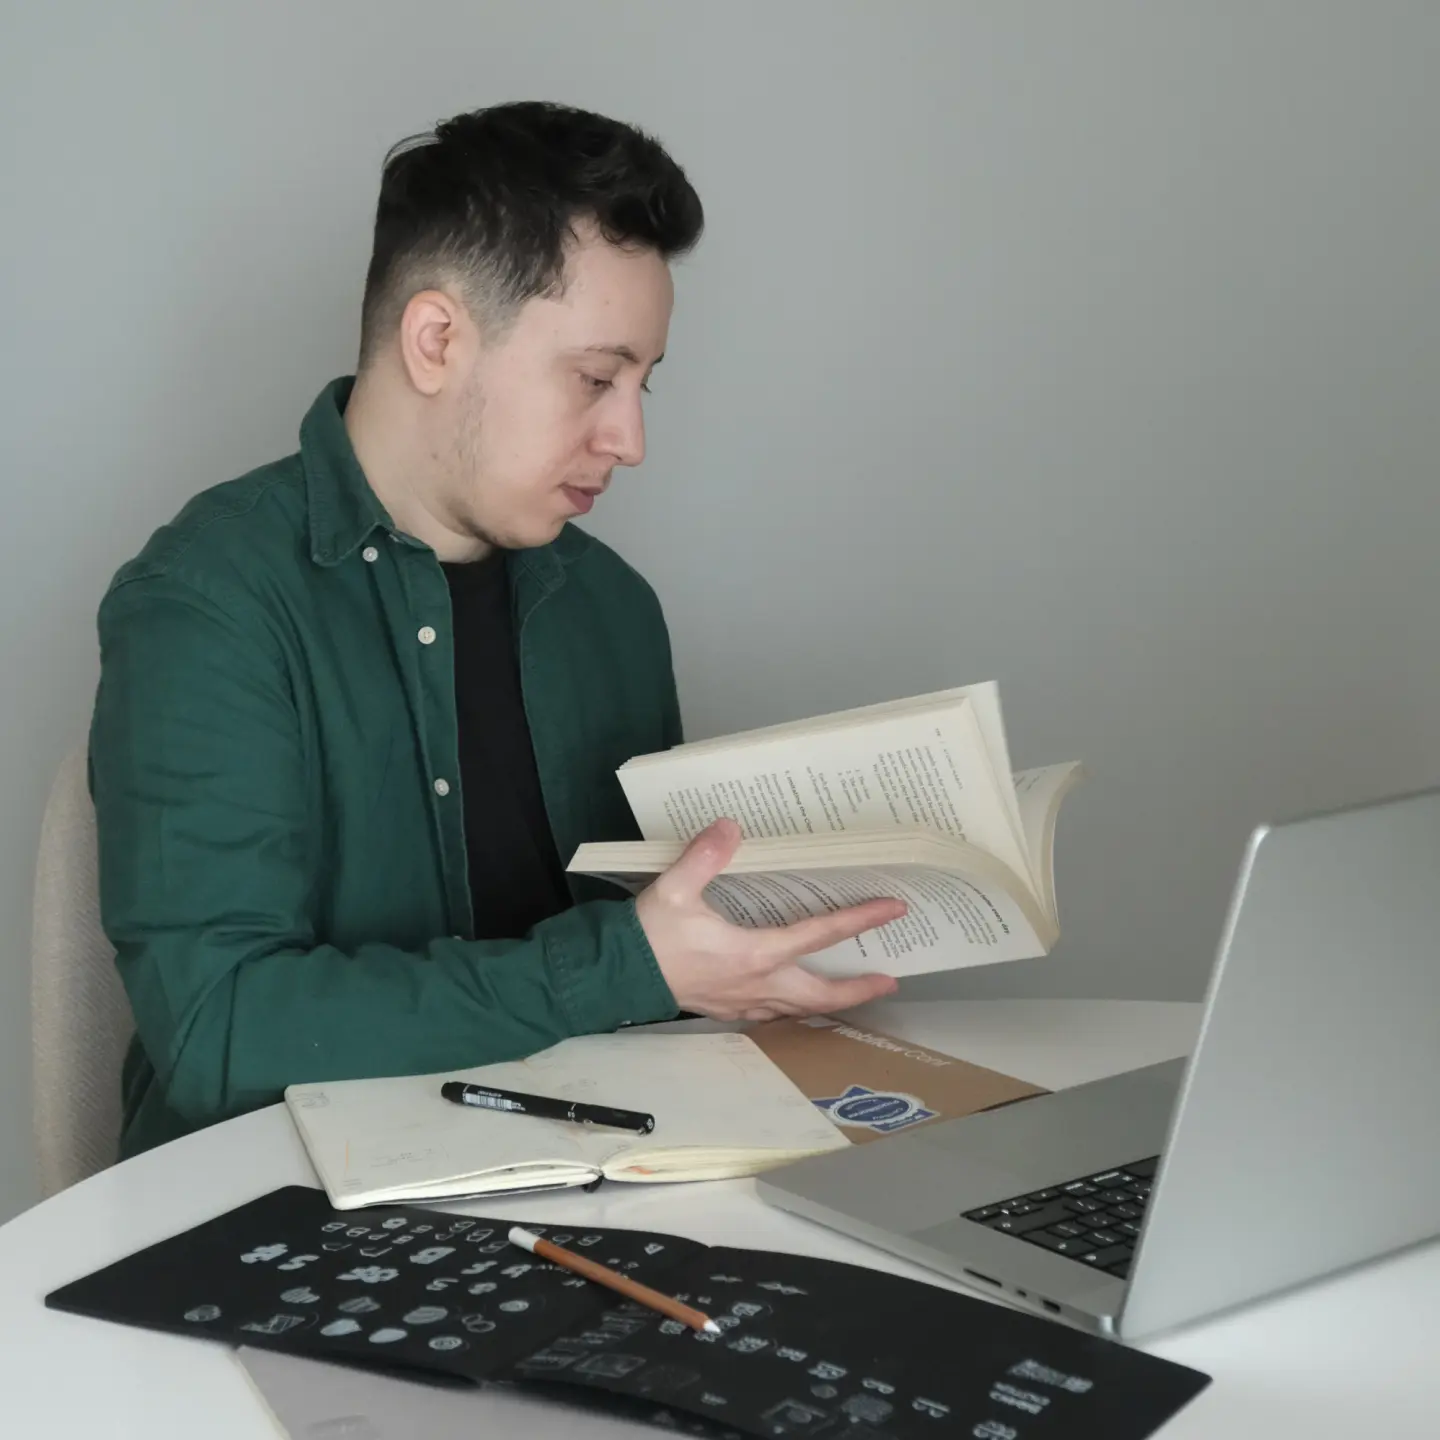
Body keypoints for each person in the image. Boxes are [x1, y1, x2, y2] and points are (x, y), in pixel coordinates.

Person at [90, 101, 905, 1159]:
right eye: (596, 379)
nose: (631, 438)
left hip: (586, 1176)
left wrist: (738, 970)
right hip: (276, 1205)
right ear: (436, 341)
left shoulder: (612, 608)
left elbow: (642, 965)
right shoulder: (208, 600)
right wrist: (629, 966)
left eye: (643, 385)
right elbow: (220, 1031)